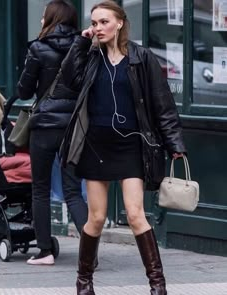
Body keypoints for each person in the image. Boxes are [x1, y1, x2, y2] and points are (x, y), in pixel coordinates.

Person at [61, 1, 186, 294]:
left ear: (119, 23)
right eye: (93, 23)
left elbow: (162, 103)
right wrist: (80, 43)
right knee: (97, 217)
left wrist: (175, 143)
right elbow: (67, 81)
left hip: (132, 146)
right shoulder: (91, 57)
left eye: (104, 22)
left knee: (134, 214)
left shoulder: (142, 58)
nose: (97, 28)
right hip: (96, 146)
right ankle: (84, 280)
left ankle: (157, 284)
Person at [17, 0, 88, 265]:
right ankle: (90, 253)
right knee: (73, 190)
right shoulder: (84, 48)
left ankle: (45, 251)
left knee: (40, 189)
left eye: (44, 15)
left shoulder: (38, 48)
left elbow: (24, 91)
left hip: (45, 125)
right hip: (74, 125)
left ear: (51, 18)